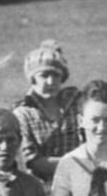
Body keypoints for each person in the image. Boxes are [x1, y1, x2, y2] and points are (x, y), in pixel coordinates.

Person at [14, 41, 80, 185]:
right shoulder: (23, 113)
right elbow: (32, 161)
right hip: (41, 188)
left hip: (79, 182)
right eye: (44, 75)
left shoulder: (76, 104)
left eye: (56, 75)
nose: (51, 81)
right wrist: (77, 164)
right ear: (32, 79)